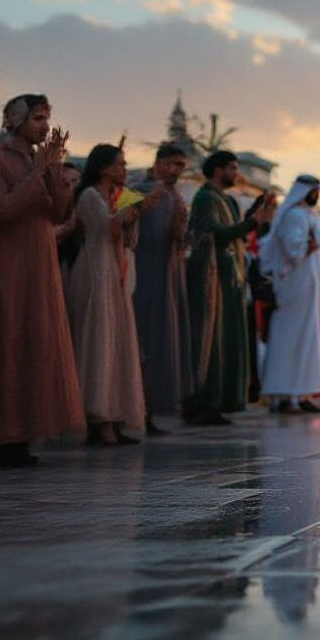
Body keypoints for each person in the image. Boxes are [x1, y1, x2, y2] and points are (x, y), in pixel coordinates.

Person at [0, 95, 83, 465]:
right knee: (2, 343)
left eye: (47, 119)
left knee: (32, 343)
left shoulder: (38, 161)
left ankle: (21, 434)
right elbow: (1, 211)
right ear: (14, 122)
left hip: (38, 269)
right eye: (38, 118)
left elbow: (59, 211)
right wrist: (36, 172)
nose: (45, 126)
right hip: (4, 268)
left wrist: (53, 170)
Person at [64, 143, 159, 446]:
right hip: (96, 270)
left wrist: (135, 214)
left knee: (118, 340)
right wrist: (140, 207)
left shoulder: (115, 197)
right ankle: (98, 417)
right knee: (98, 340)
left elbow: (127, 238)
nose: (124, 169)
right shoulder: (90, 196)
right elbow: (106, 229)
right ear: (104, 168)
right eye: (119, 164)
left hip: (115, 270)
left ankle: (117, 416)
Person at [185, 150, 272, 425]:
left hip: (229, 276)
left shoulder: (226, 200)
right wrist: (251, 222)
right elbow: (215, 234)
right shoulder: (205, 198)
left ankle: (221, 401)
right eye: (232, 168)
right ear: (218, 170)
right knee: (213, 340)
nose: (237, 173)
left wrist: (255, 221)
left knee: (227, 340)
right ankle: (204, 402)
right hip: (211, 276)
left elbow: (235, 233)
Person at [258, 175, 320, 412]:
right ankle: (283, 394)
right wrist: (317, 241)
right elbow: (294, 251)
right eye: (314, 191)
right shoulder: (293, 216)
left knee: (310, 339)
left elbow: (319, 249)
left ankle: (303, 393)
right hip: (294, 287)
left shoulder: (312, 216)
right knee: (290, 339)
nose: (317, 195)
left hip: (312, 289)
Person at [131, 143, 192, 433]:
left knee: (161, 342)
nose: (175, 171)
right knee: (142, 340)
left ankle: (151, 410)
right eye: (172, 164)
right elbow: (121, 223)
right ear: (158, 162)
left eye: (181, 166)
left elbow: (177, 238)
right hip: (142, 273)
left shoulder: (176, 197)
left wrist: (180, 224)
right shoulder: (136, 188)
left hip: (167, 274)